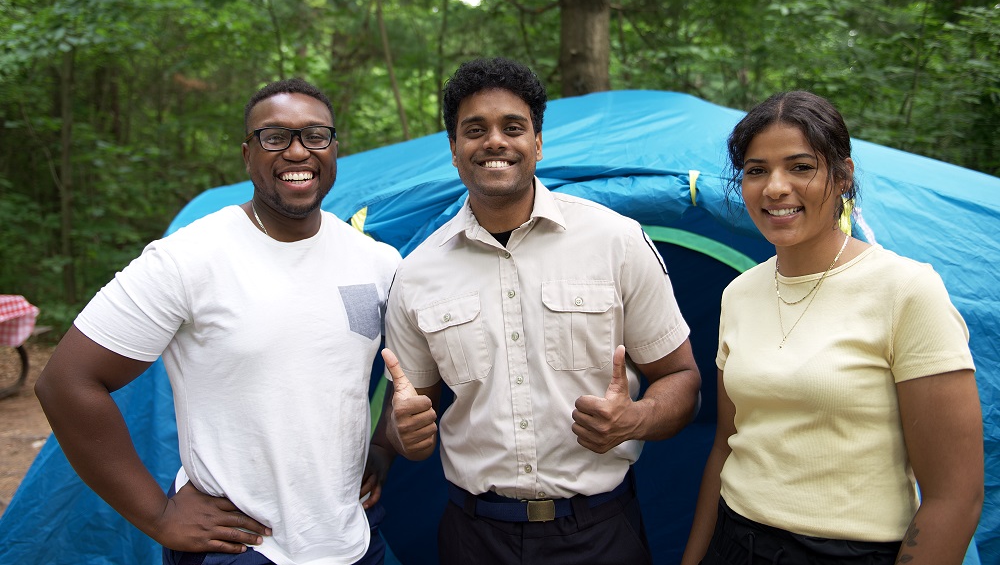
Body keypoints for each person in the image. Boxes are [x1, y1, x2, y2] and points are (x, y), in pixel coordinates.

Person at [35, 78, 402, 565]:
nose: (298, 151)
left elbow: (409, 372)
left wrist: (381, 448)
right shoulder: (189, 258)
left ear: (334, 150)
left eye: (315, 136)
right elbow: (66, 383)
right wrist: (159, 517)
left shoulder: (376, 262)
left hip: (351, 539)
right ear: (248, 155)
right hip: (243, 549)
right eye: (275, 137)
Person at [375, 57, 701, 565]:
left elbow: (683, 379)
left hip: (600, 533)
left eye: (513, 127)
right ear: (455, 151)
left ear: (538, 143)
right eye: (474, 130)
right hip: (473, 539)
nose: (495, 142)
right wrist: (403, 435)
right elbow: (407, 418)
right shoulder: (416, 274)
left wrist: (635, 418)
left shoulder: (616, 241)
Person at [680, 91, 983, 565]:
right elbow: (726, 445)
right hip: (735, 542)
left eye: (800, 167)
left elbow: (955, 496)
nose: (775, 187)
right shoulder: (739, 293)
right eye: (756, 170)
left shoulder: (906, 290)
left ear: (843, 176)